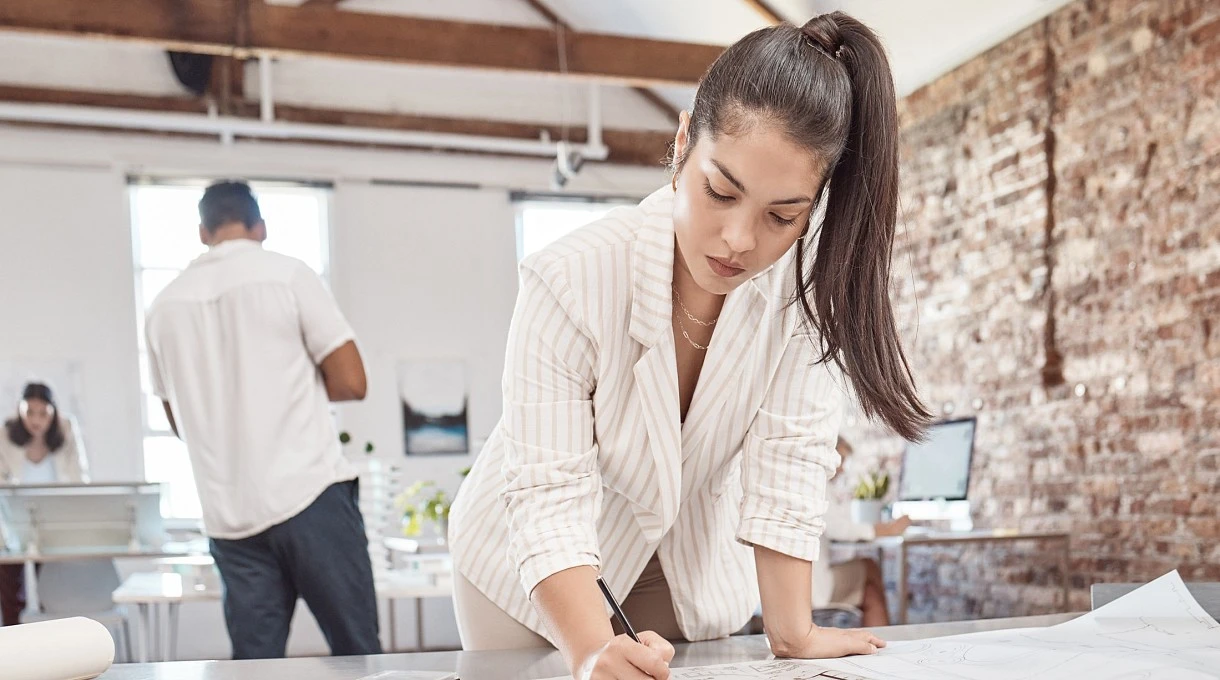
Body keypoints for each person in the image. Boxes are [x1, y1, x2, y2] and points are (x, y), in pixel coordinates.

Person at [447, 11, 931, 680]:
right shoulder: (570, 277)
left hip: (686, 575)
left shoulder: (803, 299)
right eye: (720, 191)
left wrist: (794, 633)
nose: (738, 238)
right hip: (527, 577)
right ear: (681, 146)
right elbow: (545, 493)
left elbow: (789, 465)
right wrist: (589, 648)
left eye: (780, 216)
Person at [144, 181, 381, 659]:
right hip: (310, 496)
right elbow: (352, 382)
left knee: (254, 667)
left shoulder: (162, 307)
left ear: (202, 232)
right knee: (360, 657)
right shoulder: (287, 275)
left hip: (231, 517)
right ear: (260, 227)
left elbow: (178, 420)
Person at [0, 382, 90, 626]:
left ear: (53, 412)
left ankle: (48, 651)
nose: (36, 420)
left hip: (52, 527)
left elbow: (79, 479)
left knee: (52, 595)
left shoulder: (66, 431)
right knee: (11, 596)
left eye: (43, 413)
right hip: (13, 526)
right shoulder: (6, 435)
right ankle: (12, 650)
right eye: (29, 412)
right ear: (20, 411)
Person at [815, 437, 911, 627]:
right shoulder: (819, 484)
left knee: (871, 592)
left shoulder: (823, 486)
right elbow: (838, 529)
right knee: (869, 567)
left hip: (808, 583)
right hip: (814, 588)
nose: (841, 468)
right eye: (840, 459)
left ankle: (882, 640)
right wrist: (883, 530)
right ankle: (888, 640)